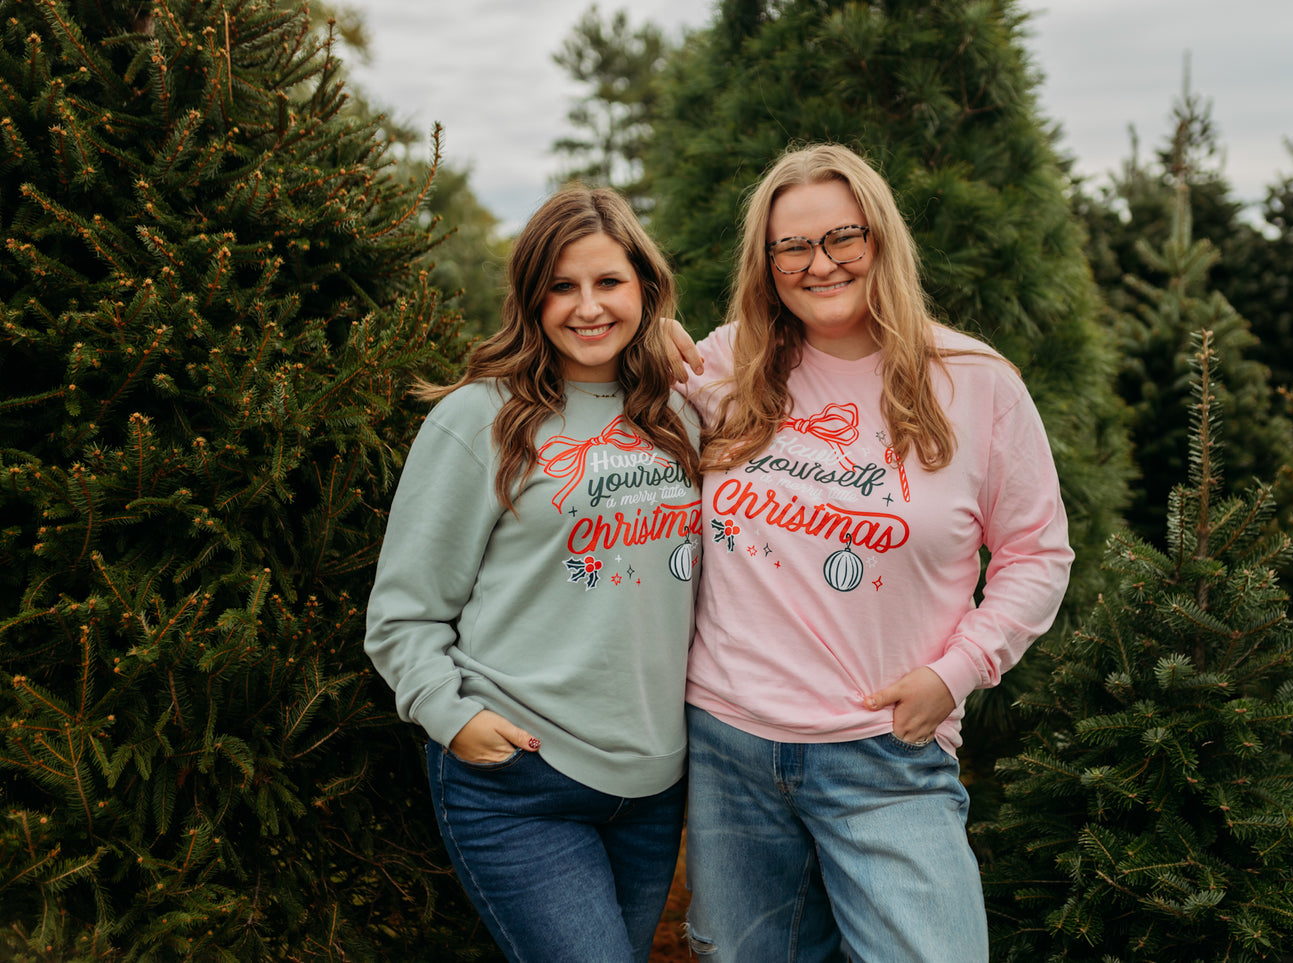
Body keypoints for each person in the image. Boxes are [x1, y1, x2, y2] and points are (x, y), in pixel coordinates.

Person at [670, 143, 1074, 962]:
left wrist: (956, 671)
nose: (819, 264)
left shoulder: (974, 382)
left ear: (880, 240)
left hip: (886, 751)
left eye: (841, 238)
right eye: (791, 246)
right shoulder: (726, 363)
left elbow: (1037, 553)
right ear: (766, 263)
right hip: (729, 748)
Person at [364, 186, 703, 963]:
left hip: (653, 785)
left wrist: (674, 342)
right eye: (561, 286)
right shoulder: (479, 418)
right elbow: (404, 610)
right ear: (529, 297)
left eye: (609, 282)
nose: (587, 306)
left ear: (645, 287)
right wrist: (447, 713)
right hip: (522, 779)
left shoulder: (680, 410)